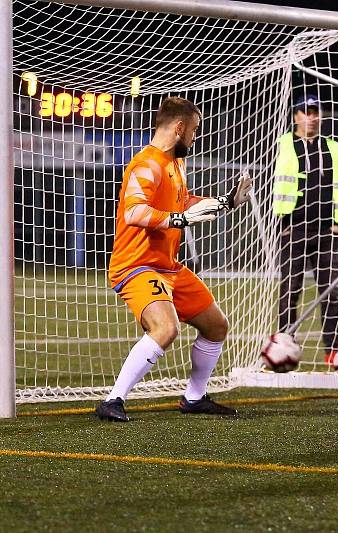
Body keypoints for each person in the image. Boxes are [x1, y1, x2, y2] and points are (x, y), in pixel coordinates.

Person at [97, 96, 252, 422]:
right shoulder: (146, 164)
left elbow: (184, 203)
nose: (195, 138)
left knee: (216, 326)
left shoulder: (175, 165)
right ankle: (113, 400)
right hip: (137, 265)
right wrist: (179, 220)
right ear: (179, 127)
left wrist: (226, 202)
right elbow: (135, 212)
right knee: (165, 328)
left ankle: (194, 398)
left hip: (168, 265)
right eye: (194, 130)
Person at [272, 93, 338, 363]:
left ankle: (332, 350)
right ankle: (284, 343)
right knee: (290, 290)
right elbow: (279, 185)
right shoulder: (284, 144)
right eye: (306, 112)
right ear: (296, 117)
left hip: (327, 231)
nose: (311, 117)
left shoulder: (334, 148)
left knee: (330, 291)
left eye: (315, 112)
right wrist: (284, 223)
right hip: (295, 229)